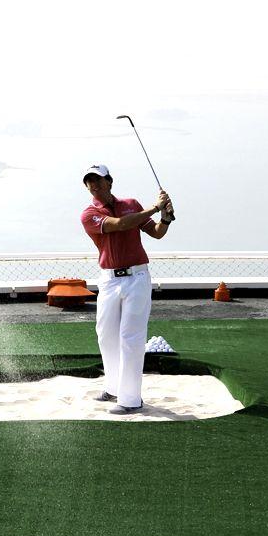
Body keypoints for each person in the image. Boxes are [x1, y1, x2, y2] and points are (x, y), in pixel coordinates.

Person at [80, 164, 173, 415]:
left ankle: (131, 399)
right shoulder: (89, 214)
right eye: (89, 182)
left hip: (137, 276)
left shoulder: (132, 203)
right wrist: (155, 207)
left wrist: (164, 217)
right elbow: (120, 224)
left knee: (130, 337)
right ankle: (113, 387)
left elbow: (156, 233)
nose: (94, 185)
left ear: (110, 181)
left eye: (98, 180)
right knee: (106, 335)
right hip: (109, 280)